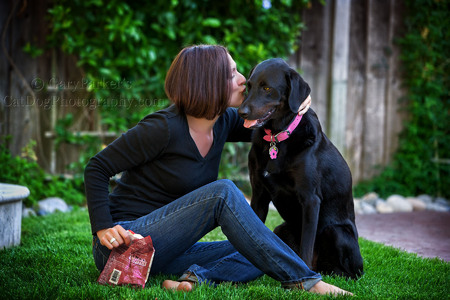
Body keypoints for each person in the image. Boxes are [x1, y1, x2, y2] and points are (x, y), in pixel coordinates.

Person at [84, 44, 352, 296]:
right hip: (123, 245)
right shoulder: (162, 128)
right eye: (232, 73)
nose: (242, 79)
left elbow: (279, 122)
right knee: (223, 192)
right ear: (207, 82)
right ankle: (306, 281)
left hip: (164, 251)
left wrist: (299, 100)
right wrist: (103, 228)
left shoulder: (223, 122)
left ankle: (196, 279)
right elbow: (97, 167)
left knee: (266, 247)